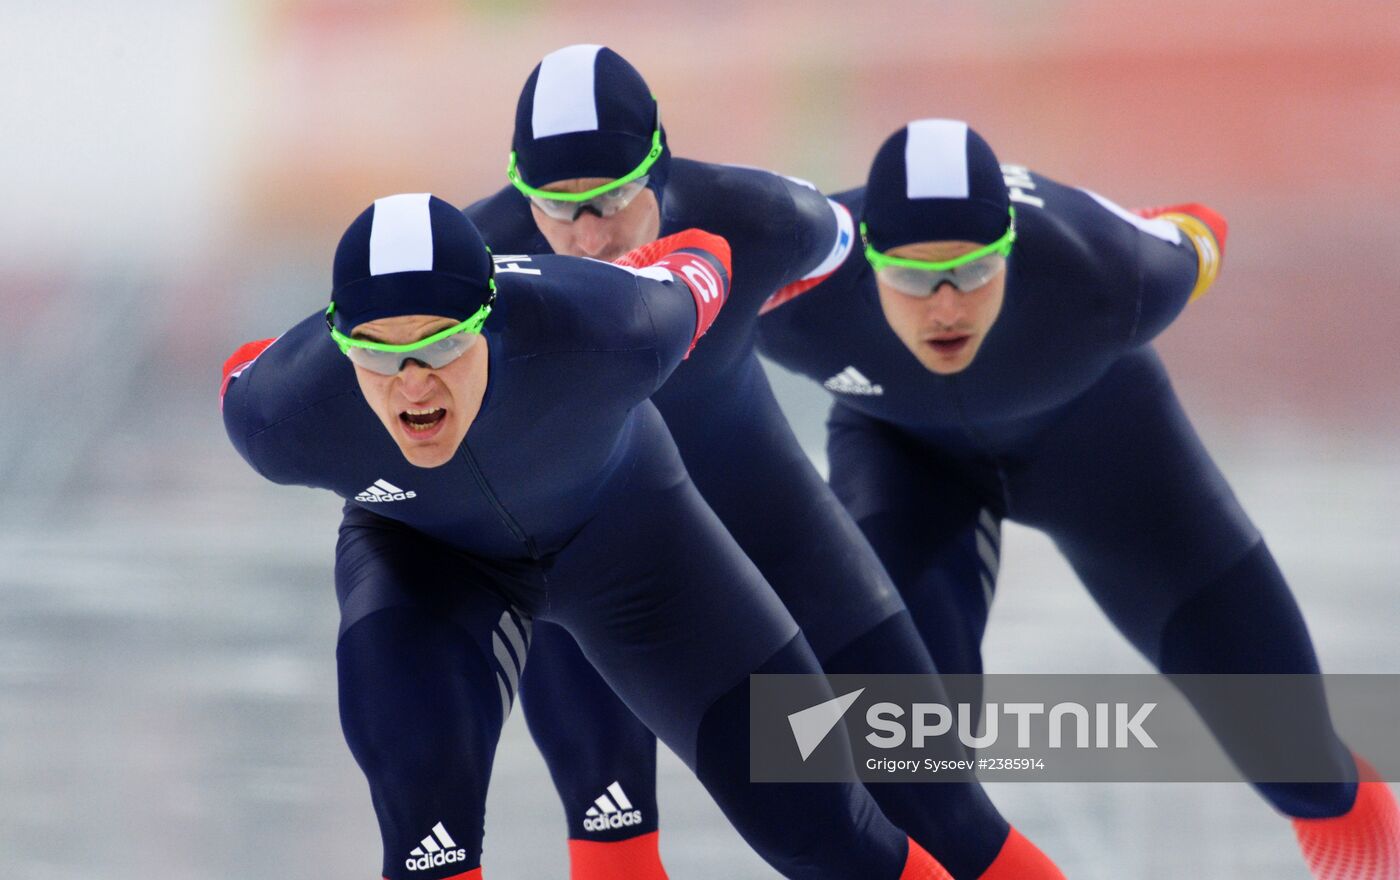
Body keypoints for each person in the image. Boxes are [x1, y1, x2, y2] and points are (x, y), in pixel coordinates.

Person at [219, 193, 955, 880]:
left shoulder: (614, 327)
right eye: (378, 354)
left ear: (489, 318)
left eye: (440, 347)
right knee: (424, 828)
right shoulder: (282, 416)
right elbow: (246, 368)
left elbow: (702, 254)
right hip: (428, 561)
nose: (411, 383)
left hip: (632, 542)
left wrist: (636, 270)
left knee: (826, 830)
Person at [465, 46, 1063, 880]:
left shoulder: (762, 218)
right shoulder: (473, 269)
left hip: (770, 523)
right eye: (556, 210)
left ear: (660, 168)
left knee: (944, 808)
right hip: (599, 571)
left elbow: (865, 261)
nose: (588, 236)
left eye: (610, 199)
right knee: (613, 846)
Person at [756, 118, 1400, 879]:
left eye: (972, 271)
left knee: (1300, 766)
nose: (945, 307)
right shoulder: (789, 288)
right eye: (910, 278)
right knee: (904, 765)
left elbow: (1197, 230)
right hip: (903, 462)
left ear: (1012, 250)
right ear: (865, 261)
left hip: (1104, 450)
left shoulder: (1109, 270)